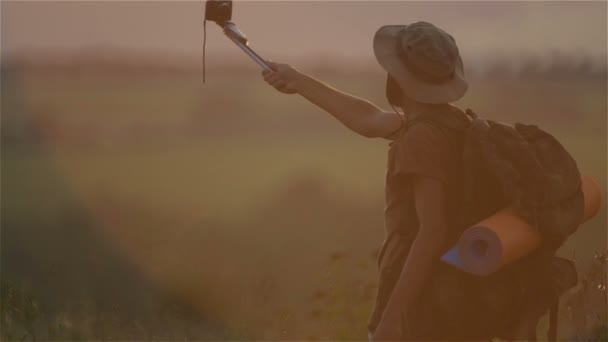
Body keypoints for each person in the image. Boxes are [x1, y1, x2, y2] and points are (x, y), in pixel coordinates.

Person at [261, 22, 542, 341]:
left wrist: (392, 319)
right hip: (460, 300)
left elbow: (433, 229)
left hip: (425, 310)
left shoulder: (420, 138)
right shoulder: (454, 124)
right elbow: (366, 118)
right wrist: (297, 80)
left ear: (398, 78)